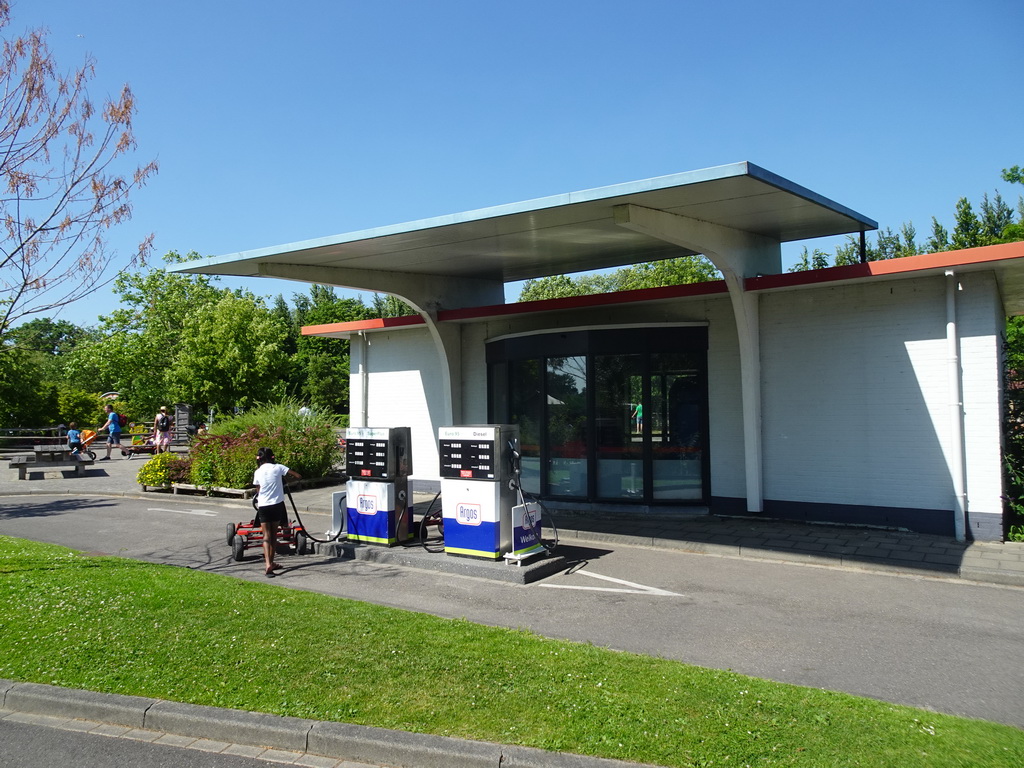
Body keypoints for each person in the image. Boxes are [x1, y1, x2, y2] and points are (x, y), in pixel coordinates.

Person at [252, 447, 301, 577]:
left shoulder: (258, 472)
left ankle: (268, 564)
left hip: (263, 506)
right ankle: (271, 563)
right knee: (274, 536)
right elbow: (297, 476)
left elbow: (258, 489)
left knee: (266, 536)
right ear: (272, 457)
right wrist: (284, 481)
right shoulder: (278, 468)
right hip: (276, 505)